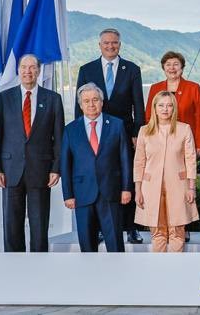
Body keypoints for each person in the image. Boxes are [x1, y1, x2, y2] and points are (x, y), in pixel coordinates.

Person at [74, 28, 145, 244]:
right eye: (106, 43)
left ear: (119, 45)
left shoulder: (132, 69)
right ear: (100, 45)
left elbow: (139, 105)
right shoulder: (87, 69)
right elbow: (80, 105)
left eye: (114, 42)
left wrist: (137, 133)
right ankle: (99, 229)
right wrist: (80, 134)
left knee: (126, 177)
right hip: (95, 133)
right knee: (99, 177)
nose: (110, 46)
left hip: (124, 133)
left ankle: (131, 228)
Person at [0, 54, 65, 252]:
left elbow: (59, 139)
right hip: (10, 170)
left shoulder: (53, 99)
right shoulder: (4, 98)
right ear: (18, 70)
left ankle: (38, 265)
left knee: (40, 226)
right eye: (24, 67)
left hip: (41, 171)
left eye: (32, 67)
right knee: (12, 226)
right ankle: (14, 266)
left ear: (38, 71)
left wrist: (56, 168)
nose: (28, 71)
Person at [60, 83, 131, 252]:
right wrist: (68, 195)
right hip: (82, 194)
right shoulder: (70, 129)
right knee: (87, 246)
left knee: (115, 245)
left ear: (102, 102)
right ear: (80, 105)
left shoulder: (117, 125)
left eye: (95, 100)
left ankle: (117, 270)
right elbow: (65, 165)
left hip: (111, 192)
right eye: (86, 101)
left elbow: (125, 159)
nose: (91, 104)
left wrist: (126, 188)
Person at [134, 91, 200, 252]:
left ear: (174, 108)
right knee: (157, 233)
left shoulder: (184, 129)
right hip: (150, 188)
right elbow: (139, 162)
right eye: (161, 105)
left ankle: (175, 267)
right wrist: (138, 190)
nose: (165, 109)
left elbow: (191, 160)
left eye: (169, 105)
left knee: (177, 232)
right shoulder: (144, 131)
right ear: (154, 108)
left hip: (179, 186)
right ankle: (160, 267)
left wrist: (191, 188)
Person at [145, 51, 200, 155]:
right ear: (163, 68)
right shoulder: (155, 88)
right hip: (159, 141)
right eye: (168, 64)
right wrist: (150, 139)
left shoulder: (193, 88)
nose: (172, 68)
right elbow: (149, 116)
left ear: (182, 68)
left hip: (186, 141)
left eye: (176, 64)